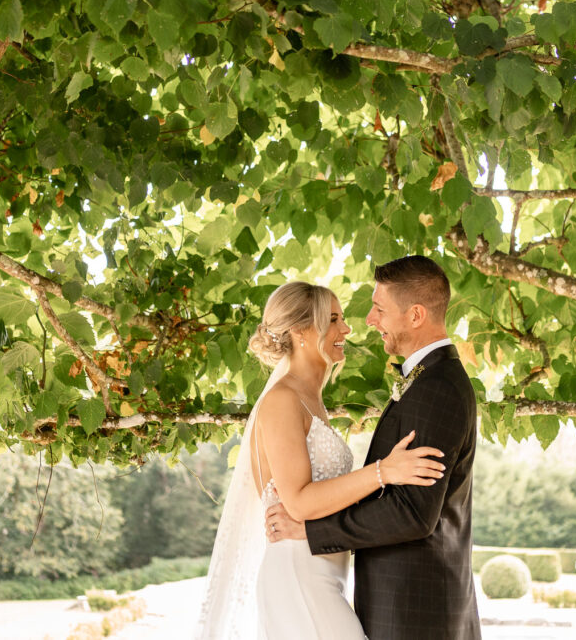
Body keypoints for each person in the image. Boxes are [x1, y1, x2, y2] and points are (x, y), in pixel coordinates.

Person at [195, 281, 446, 639]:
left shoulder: (311, 400)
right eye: (332, 320)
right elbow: (297, 501)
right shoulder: (283, 400)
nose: (345, 329)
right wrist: (383, 471)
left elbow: (326, 497)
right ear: (299, 330)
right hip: (299, 578)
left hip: (323, 575)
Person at [266, 256, 481, 639]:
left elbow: (413, 513)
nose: (367, 320)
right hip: (388, 599)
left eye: (379, 309)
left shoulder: (438, 387)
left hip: (414, 608)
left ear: (415, 315)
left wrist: (312, 529)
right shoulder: (427, 379)